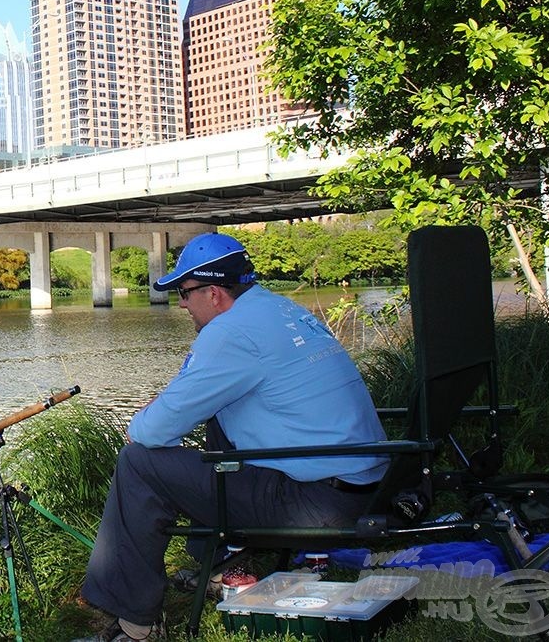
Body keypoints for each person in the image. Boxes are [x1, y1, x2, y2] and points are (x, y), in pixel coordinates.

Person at [75, 232, 388, 641]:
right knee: (220, 418)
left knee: (139, 463)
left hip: (317, 505)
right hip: (367, 486)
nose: (182, 304)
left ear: (216, 294)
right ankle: (223, 566)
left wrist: (151, 415)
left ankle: (136, 626)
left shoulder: (230, 332)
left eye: (185, 293)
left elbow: (150, 431)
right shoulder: (280, 309)